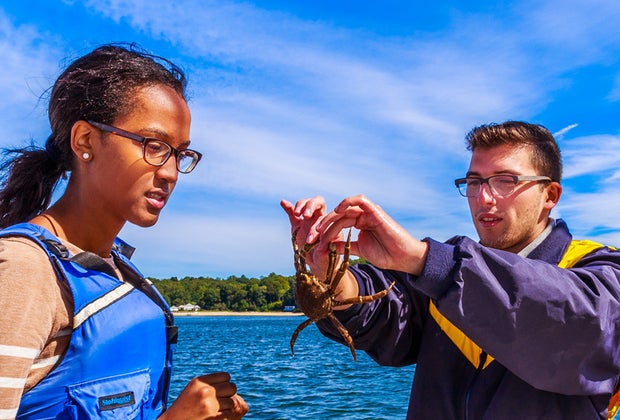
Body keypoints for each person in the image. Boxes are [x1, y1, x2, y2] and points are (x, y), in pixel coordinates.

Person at [282, 121, 620, 419]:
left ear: (550, 194)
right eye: (474, 182)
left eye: (505, 181)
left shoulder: (598, 270)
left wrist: (429, 261)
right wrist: (331, 275)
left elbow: (584, 324)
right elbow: (390, 308)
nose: (484, 198)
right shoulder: (443, 272)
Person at [0, 44, 248, 419]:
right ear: (85, 141)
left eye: (179, 153)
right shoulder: (26, 271)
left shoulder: (118, 270)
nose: (170, 172)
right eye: (153, 145)